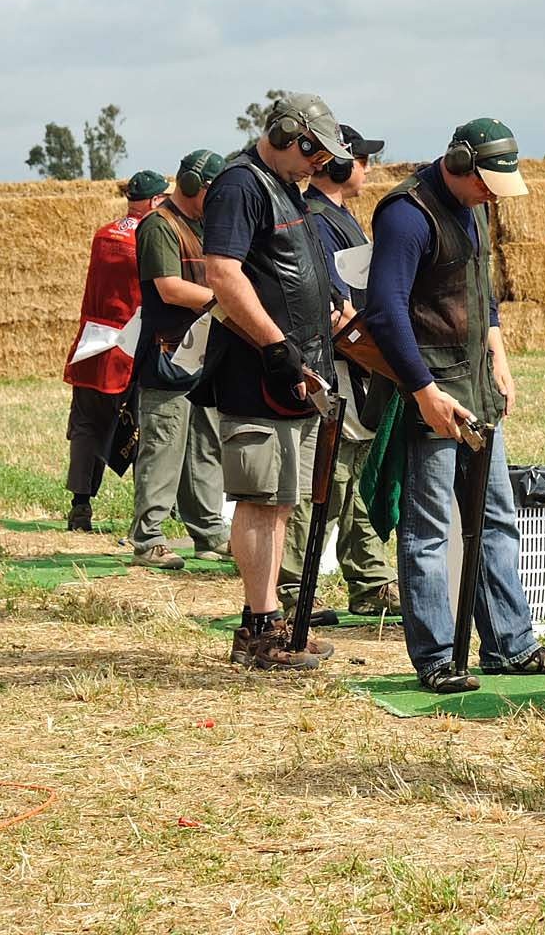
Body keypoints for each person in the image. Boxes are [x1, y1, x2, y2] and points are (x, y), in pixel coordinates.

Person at [365, 118, 545, 693]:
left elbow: (480, 295)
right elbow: (385, 311)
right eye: (485, 182)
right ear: (457, 164)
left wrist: (499, 354)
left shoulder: (475, 209)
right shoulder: (406, 215)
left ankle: (510, 646)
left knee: (496, 520)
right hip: (431, 392)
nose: (491, 194)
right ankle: (436, 658)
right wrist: (423, 392)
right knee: (430, 529)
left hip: (476, 387)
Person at [196, 94, 353, 670]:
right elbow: (224, 276)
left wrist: (327, 304)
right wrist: (276, 345)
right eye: (313, 151)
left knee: (282, 498)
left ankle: (269, 621)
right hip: (262, 370)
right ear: (290, 135)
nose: (320, 164)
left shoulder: (285, 186)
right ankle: (260, 628)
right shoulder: (242, 185)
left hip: (295, 368)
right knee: (263, 498)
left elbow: (289, 267)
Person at [276, 125, 401, 616]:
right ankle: (288, 592)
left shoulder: (340, 218)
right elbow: (332, 307)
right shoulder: (316, 220)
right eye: (362, 159)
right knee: (323, 477)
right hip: (341, 362)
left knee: (352, 473)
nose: (368, 168)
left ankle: (369, 580)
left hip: (362, 362)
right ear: (340, 164)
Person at [127, 150, 231, 570]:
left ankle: (208, 533)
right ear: (192, 185)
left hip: (202, 356)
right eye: (212, 189)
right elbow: (170, 288)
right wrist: (228, 302)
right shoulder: (159, 226)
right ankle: (147, 540)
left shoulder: (205, 226)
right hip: (168, 355)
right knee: (163, 449)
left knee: (205, 448)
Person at [62, 170, 167, 531]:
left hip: (92, 342)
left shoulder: (104, 233)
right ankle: (146, 517)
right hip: (129, 345)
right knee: (143, 429)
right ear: (154, 201)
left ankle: (80, 505)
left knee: (86, 426)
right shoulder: (150, 238)